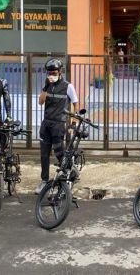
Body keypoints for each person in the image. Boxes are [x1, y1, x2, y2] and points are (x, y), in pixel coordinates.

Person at [35, 58, 79, 194]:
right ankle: (44, 181)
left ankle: (70, 173)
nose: (51, 75)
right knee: (44, 154)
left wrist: (74, 121)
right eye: (49, 73)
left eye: (54, 72)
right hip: (46, 123)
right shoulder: (47, 85)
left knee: (60, 153)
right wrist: (45, 87)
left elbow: (75, 103)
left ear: (60, 72)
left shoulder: (68, 86)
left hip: (59, 125)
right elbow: (40, 102)